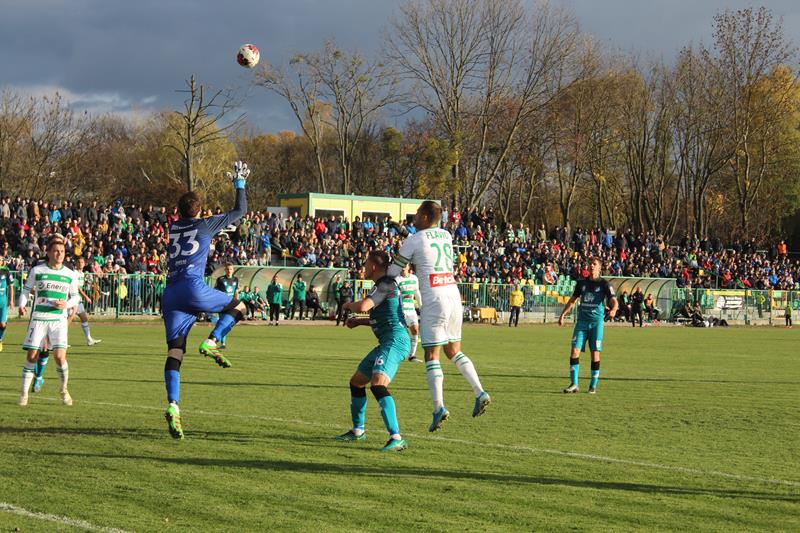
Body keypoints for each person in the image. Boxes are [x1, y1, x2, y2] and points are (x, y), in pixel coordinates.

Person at [160, 161, 250, 439]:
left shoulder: (174, 227)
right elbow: (240, 211)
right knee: (239, 306)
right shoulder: (205, 224)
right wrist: (239, 184)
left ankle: (173, 406)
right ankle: (213, 341)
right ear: (199, 210)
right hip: (192, 287)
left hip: (171, 294)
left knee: (175, 352)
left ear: (178, 211)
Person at [387, 200, 490, 432]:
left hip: (434, 297)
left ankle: (439, 408)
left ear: (424, 217)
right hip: (453, 294)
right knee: (453, 350)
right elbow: (425, 242)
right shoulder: (446, 235)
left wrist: (384, 278)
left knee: (432, 354)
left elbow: (394, 271)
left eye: (417, 213)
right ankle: (479, 391)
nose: (414, 217)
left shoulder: (414, 239)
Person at [335, 251, 410, 452]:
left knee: (378, 384)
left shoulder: (385, 284)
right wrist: (359, 322)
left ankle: (396, 437)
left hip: (395, 341)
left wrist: (348, 305)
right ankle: (358, 431)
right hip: (387, 340)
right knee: (357, 382)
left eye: (366, 264)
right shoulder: (383, 285)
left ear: (374, 266)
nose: (364, 267)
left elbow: (363, 306)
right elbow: (383, 317)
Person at [17, 234, 80, 407]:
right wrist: (21, 305)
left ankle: (64, 389)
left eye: (62, 251)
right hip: (39, 318)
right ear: (49, 252)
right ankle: (23, 394)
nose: (60, 254)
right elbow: (26, 290)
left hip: (58, 320)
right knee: (32, 355)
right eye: (56, 251)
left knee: (59, 357)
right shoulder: (37, 271)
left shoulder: (70, 274)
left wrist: (66, 304)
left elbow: (76, 297)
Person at [558, 257, 618, 394]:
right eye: (590, 263)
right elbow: (572, 300)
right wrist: (562, 315)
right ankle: (574, 384)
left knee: (595, 353)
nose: (591, 266)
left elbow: (614, 300)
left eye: (594, 264)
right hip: (582, 322)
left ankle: (593, 385)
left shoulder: (604, 284)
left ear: (599, 267)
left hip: (596, 323)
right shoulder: (581, 283)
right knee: (574, 351)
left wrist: (614, 309)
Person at [66, 256, 101, 346]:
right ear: (76, 263)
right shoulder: (74, 273)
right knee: (68, 319)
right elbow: (77, 287)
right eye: (79, 262)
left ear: (84, 264)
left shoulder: (82, 274)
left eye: (82, 262)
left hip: (77, 299)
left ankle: (89, 339)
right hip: (73, 299)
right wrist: (86, 297)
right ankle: (61, 340)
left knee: (84, 318)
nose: (80, 264)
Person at [395, 264, 422, 361]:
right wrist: (403, 296)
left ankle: (412, 356)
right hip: (400, 310)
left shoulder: (414, 278)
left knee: (415, 330)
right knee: (400, 333)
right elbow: (394, 295)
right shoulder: (397, 279)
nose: (403, 267)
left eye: (405, 265)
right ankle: (396, 353)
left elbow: (417, 293)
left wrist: (421, 307)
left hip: (411, 310)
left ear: (408, 267)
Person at [213, 263, 239, 348]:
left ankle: (222, 343)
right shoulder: (220, 279)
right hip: (222, 304)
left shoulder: (236, 279)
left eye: (230, 269)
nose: (229, 271)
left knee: (227, 324)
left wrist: (237, 303)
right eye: (227, 269)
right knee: (222, 323)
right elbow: (215, 291)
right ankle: (220, 342)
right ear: (225, 270)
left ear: (233, 270)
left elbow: (236, 292)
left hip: (231, 304)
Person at [0, 256, 14, 351]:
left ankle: (0, 339)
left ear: (2, 261)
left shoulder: (6, 271)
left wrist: (11, 300)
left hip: (3, 303)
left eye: (0, 259)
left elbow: (11, 287)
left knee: (2, 324)